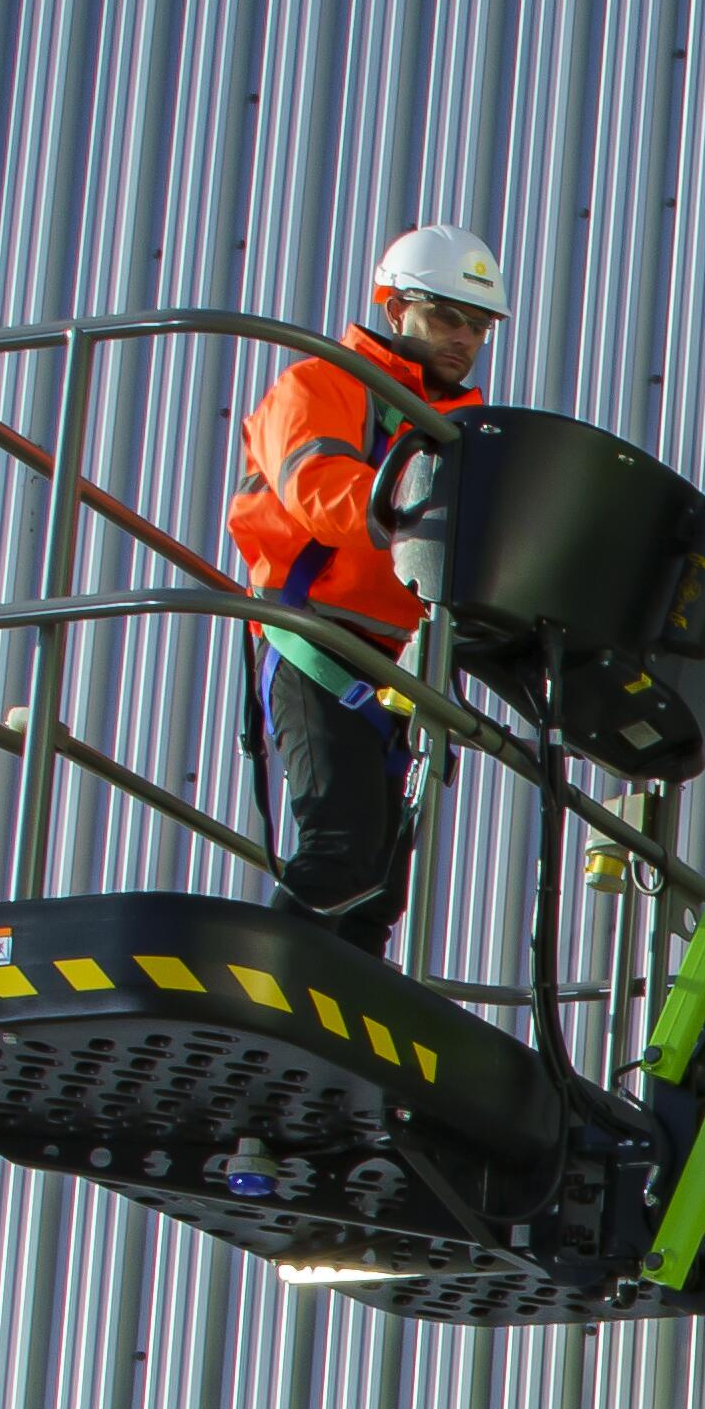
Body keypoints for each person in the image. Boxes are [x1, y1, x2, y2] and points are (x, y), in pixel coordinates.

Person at [219, 224, 502, 947]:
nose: (464, 338)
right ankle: (265, 990)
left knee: (378, 889)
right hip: (317, 638)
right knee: (340, 850)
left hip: (402, 667)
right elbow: (318, 489)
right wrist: (423, 512)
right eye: (446, 316)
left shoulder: (466, 433)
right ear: (394, 308)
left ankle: (345, 1006)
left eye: (478, 326)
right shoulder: (323, 383)